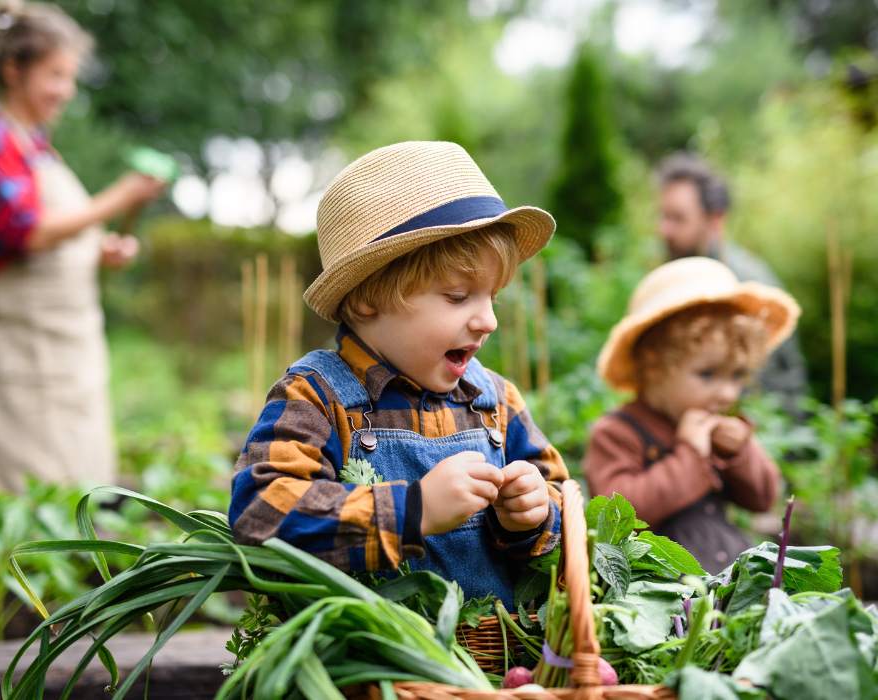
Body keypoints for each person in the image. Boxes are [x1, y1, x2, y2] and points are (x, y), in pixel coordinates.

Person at [229, 141, 568, 608]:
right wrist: (413, 510)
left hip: (495, 667)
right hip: (367, 669)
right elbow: (262, 514)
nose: (488, 320)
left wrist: (534, 514)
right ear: (369, 298)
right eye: (457, 296)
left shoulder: (495, 403)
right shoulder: (318, 398)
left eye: (493, 297)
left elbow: (564, 503)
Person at [0, 0, 165, 493]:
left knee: (79, 473)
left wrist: (101, 251)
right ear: (13, 70)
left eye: (69, 77)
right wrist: (118, 197)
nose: (65, 91)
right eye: (54, 75)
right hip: (22, 341)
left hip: (67, 341)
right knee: (31, 484)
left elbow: (59, 239)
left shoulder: (37, 148)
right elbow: (26, 232)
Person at [586, 257, 799, 572]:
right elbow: (617, 516)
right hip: (658, 587)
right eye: (707, 374)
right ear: (655, 367)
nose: (727, 393)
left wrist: (739, 453)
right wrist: (690, 454)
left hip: (725, 573)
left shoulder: (716, 426)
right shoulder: (617, 432)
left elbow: (763, 497)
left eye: (738, 375)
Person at [656, 153, 807, 409]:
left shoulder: (742, 285)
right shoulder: (681, 272)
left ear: (715, 221)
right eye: (663, 216)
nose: (664, 230)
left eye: (678, 218)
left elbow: (761, 383)